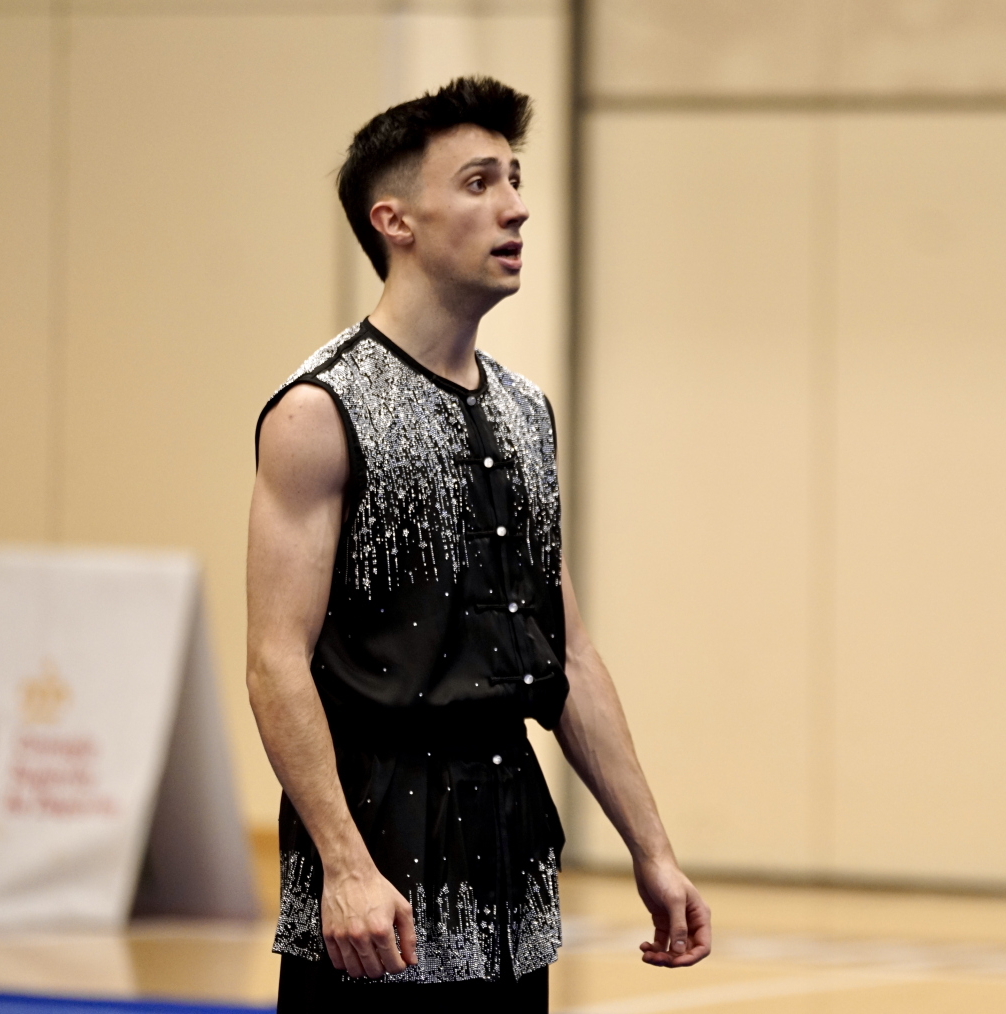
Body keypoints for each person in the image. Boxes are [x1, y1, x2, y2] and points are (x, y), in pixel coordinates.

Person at [245, 77, 710, 1012]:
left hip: (511, 856)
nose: (516, 206)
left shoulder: (526, 411)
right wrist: (345, 864)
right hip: (378, 865)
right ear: (395, 222)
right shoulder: (319, 411)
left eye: (516, 179)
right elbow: (274, 660)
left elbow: (570, 656)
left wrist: (652, 849)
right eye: (479, 182)